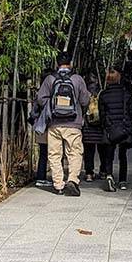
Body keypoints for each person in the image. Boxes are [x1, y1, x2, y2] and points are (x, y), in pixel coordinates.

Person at [34, 53, 92, 196]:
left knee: (54, 154)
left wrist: (54, 106)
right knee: (74, 153)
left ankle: (59, 185)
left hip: (54, 123)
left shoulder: (50, 79)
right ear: (70, 63)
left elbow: (41, 99)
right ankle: (72, 180)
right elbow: (85, 100)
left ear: (57, 63)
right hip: (74, 123)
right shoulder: (77, 79)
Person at [97, 69, 132, 191]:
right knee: (122, 155)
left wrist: (105, 126)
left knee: (109, 154)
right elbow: (131, 113)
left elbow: (102, 114)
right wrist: (131, 128)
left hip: (110, 127)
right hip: (124, 128)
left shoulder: (103, 95)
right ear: (118, 79)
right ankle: (122, 180)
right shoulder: (126, 94)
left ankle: (109, 175)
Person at [80, 72, 107, 181]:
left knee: (88, 152)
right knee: (103, 151)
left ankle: (89, 173)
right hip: (100, 127)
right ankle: (103, 171)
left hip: (88, 128)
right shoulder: (102, 93)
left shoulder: (84, 94)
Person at [31, 67, 54, 187]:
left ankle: (41, 177)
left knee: (43, 153)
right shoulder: (50, 97)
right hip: (48, 127)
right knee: (54, 153)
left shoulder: (40, 95)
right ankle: (49, 178)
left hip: (41, 127)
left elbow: (33, 113)